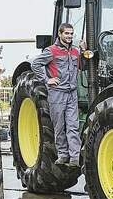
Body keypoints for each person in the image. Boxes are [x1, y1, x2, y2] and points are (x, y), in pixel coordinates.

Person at [31, 23, 86, 167]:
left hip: (72, 93)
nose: (69, 36)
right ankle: (63, 154)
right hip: (57, 94)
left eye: (71, 34)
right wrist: (46, 80)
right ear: (60, 34)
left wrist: (84, 52)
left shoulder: (75, 52)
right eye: (66, 33)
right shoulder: (52, 51)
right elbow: (35, 64)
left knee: (73, 126)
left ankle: (75, 158)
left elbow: (82, 66)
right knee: (59, 126)